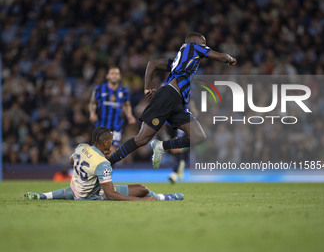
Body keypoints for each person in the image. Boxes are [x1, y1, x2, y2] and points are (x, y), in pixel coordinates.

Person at [107, 32, 237, 169]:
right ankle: (108, 163)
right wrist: (231, 58)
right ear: (194, 42)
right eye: (203, 44)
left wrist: (147, 88)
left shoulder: (178, 62)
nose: (205, 47)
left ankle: (160, 146)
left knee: (198, 136)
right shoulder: (193, 47)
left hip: (179, 103)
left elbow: (153, 64)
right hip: (169, 95)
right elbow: (222, 57)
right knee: (142, 139)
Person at [24, 127, 184, 201]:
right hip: (90, 196)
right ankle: (164, 198)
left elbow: (72, 160)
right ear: (106, 142)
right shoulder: (103, 164)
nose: (112, 144)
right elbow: (111, 194)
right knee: (142, 189)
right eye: (110, 142)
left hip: (76, 189)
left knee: (72, 191)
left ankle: (42, 196)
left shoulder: (81, 147)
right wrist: (142, 201)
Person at [89, 67, 136, 154]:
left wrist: (129, 115)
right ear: (107, 76)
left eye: (116, 74)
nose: (114, 76)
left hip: (116, 126)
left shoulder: (124, 91)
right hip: (101, 124)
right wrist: (92, 113)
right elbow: (92, 103)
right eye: (112, 74)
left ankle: (108, 167)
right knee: (100, 149)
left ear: (120, 77)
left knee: (112, 149)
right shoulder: (99, 89)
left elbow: (126, 105)